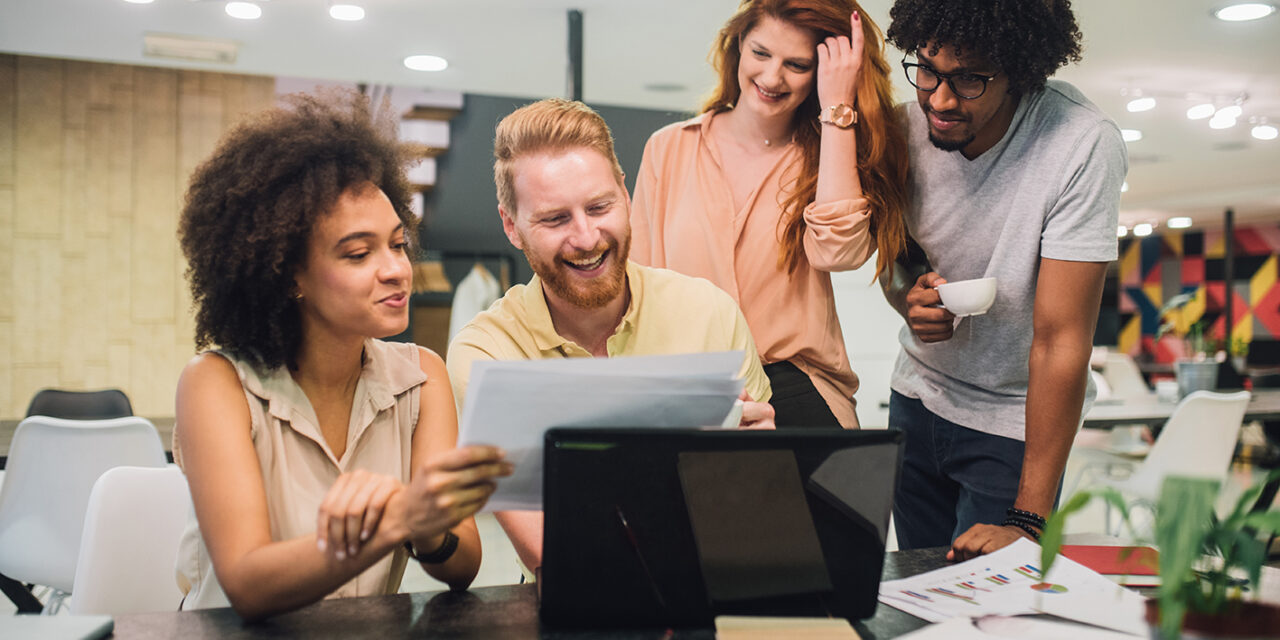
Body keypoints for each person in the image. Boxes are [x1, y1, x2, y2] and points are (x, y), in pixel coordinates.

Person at [173, 90, 512, 619]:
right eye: (358, 254)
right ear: (289, 275)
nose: (397, 269)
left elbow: (463, 564)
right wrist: (397, 520)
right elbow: (248, 583)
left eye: (398, 245)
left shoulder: (422, 376)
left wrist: (430, 529)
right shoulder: (217, 384)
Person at [447, 98, 775, 577]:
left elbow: (756, 512)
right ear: (511, 226)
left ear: (625, 194)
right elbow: (551, 553)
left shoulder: (708, 313)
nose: (587, 237)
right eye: (555, 219)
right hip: (574, 606)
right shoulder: (486, 354)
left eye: (600, 206)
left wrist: (760, 463)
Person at [879, 0, 1127, 560]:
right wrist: (906, 298)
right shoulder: (902, 127)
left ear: (1022, 71)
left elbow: (1062, 340)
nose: (939, 100)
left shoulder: (1080, 144)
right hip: (916, 398)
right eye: (928, 69)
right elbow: (897, 256)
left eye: (969, 79)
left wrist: (1028, 520)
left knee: (991, 606)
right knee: (918, 596)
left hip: (1014, 421)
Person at [629, 0, 909, 429]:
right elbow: (638, 285)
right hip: (689, 391)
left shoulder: (829, 159)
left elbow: (838, 252)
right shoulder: (668, 149)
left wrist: (837, 111)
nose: (772, 77)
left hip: (796, 387)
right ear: (739, 44)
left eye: (796, 65)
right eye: (761, 54)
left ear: (821, 72)